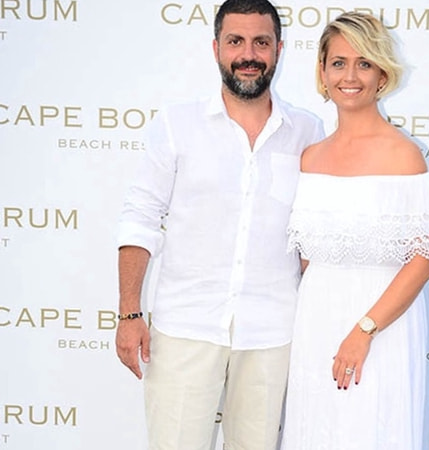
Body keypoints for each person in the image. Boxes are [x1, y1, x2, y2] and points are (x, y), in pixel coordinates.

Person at [114, 0, 323, 448]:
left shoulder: (308, 132)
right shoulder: (177, 124)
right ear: (216, 49)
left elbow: (313, 237)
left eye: (261, 42)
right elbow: (140, 217)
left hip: (272, 333)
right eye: (235, 41)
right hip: (185, 327)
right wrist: (130, 312)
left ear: (279, 49)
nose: (248, 54)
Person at [280, 12, 429, 450]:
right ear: (322, 72)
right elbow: (308, 259)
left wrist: (364, 330)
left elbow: (424, 259)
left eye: (364, 63)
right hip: (315, 323)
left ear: (382, 74)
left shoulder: (405, 155)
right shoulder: (310, 158)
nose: (350, 76)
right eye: (338, 63)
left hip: (382, 329)